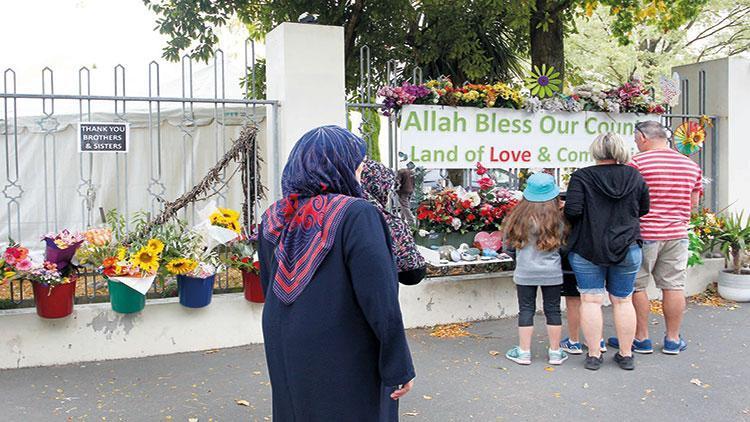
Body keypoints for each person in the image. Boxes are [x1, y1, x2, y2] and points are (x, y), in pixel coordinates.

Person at [258, 125, 415, 421]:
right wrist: (399, 366)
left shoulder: (274, 214)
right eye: (357, 165)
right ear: (341, 166)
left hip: (284, 337)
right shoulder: (356, 213)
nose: (360, 173)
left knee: (295, 410)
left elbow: (269, 284)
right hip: (344, 343)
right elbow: (380, 300)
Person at [608, 120, 702, 355]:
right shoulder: (691, 166)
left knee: (637, 286)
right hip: (677, 235)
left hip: (645, 234)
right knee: (673, 286)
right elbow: (694, 204)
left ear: (642, 137)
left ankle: (641, 338)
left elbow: (626, 200)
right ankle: (672, 339)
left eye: (635, 138)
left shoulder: (637, 163)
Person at [565, 132, 650, 371]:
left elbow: (572, 211)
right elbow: (644, 208)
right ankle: (625, 354)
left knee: (590, 300)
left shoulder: (581, 176)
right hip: (628, 247)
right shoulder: (635, 175)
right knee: (623, 300)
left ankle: (594, 355)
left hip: (587, 247)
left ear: (596, 151)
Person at [503, 172, 569, 366]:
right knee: (553, 310)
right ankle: (555, 352)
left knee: (526, 310)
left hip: (524, 272)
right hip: (552, 273)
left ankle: (524, 352)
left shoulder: (517, 218)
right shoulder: (559, 219)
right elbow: (565, 247)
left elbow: (508, 247)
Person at [361, 158, 427, 285]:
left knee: (404, 206)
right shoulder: (383, 220)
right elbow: (413, 274)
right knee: (405, 206)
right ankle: (410, 219)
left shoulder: (325, 203)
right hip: (369, 295)